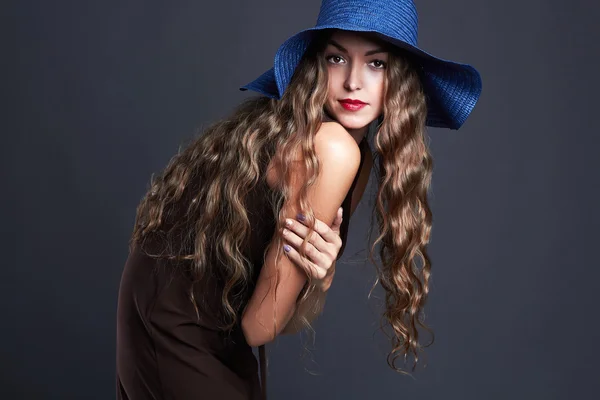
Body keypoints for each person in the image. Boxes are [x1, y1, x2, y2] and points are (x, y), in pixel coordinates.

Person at [115, 0, 482, 399]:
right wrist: (314, 279)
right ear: (315, 66)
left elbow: (280, 322)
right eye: (337, 58)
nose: (353, 82)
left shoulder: (351, 158)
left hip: (206, 320)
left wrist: (319, 279)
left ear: (401, 80)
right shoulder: (332, 149)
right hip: (179, 322)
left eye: (376, 64)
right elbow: (261, 327)